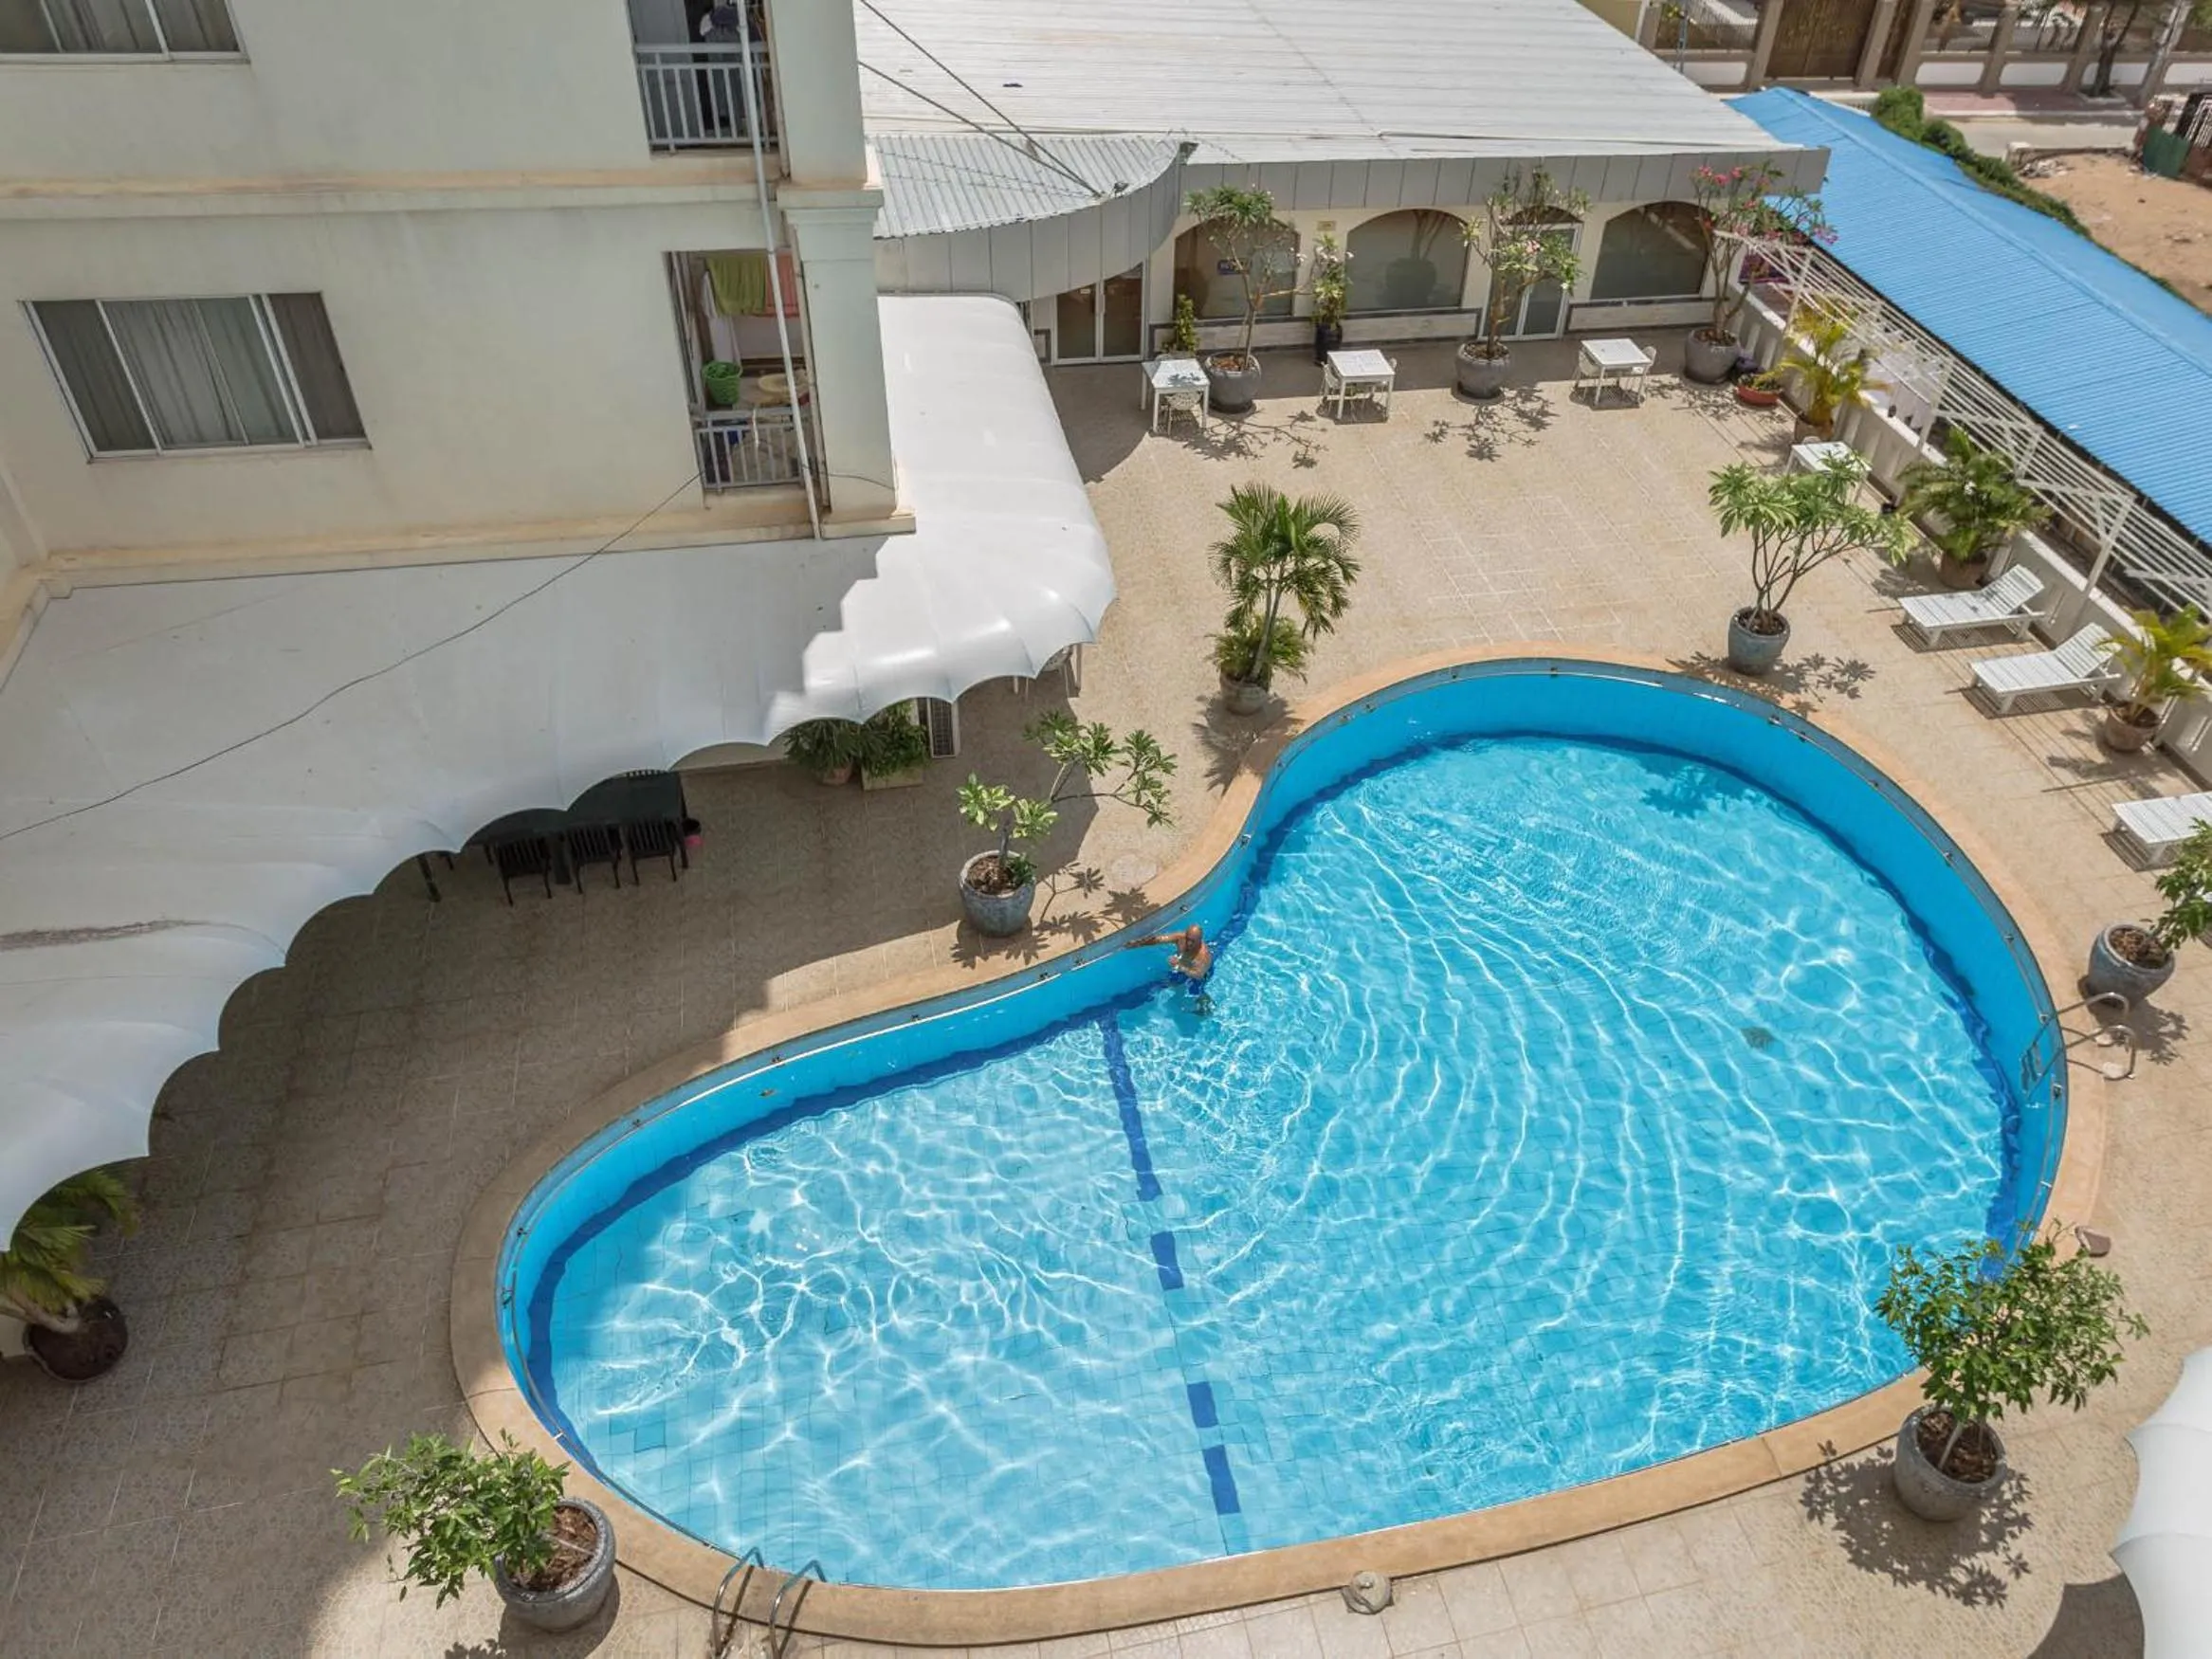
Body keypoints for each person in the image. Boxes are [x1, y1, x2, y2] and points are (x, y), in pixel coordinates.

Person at [1125, 924, 1214, 1012]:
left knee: (1195, 992)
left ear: (1200, 940)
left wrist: (1180, 966)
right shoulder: (1180, 938)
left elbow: (1198, 975)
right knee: (1169, 981)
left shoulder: (1203, 956)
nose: (1189, 943)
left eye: (1193, 941)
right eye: (1188, 939)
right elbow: (1159, 940)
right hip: (1183, 967)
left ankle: (1207, 1008)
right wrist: (1139, 943)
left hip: (1200, 973)